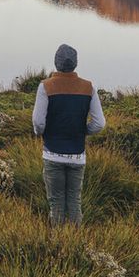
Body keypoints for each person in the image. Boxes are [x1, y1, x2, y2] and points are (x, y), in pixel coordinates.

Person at [31, 43, 105, 225]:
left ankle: (58, 246)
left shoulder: (45, 87)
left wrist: (40, 133)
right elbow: (99, 124)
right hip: (77, 156)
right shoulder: (89, 88)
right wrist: (83, 131)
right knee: (74, 202)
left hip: (52, 154)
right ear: (75, 64)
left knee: (56, 202)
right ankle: (76, 244)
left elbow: (38, 122)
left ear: (56, 63)